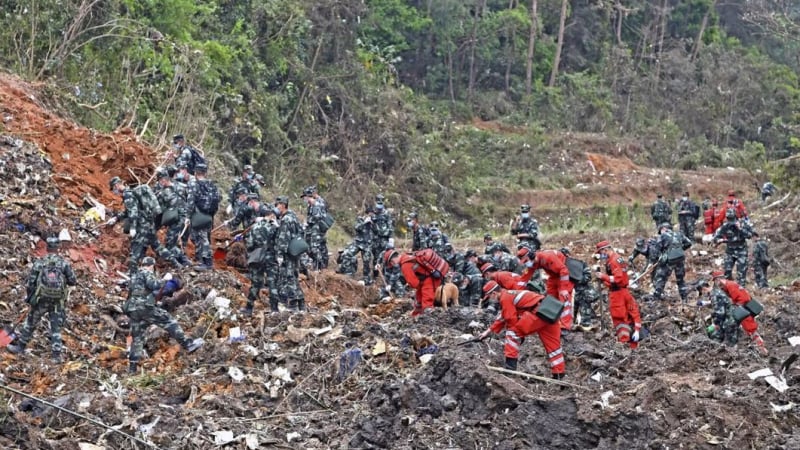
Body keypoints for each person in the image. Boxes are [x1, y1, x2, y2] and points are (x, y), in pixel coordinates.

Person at [123, 257, 204, 373]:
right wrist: (165, 279)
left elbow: (131, 294)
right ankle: (188, 344)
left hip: (133, 309)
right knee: (169, 321)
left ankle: (132, 367)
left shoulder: (134, 276)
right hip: (145, 307)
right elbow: (154, 285)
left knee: (137, 337)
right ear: (151, 265)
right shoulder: (146, 272)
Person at [7, 237, 77, 361]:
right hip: (57, 301)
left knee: (31, 323)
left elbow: (31, 283)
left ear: (47, 247)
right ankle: (56, 356)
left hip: (41, 300)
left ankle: (21, 347)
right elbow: (73, 281)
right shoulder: (64, 263)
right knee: (55, 327)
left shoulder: (40, 262)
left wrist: (31, 299)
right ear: (58, 248)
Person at [478, 282, 565, 378]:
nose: (490, 299)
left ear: (494, 293)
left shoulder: (505, 298)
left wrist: (519, 335)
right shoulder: (509, 294)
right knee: (554, 347)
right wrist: (488, 331)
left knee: (511, 334)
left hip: (537, 313)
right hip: (549, 312)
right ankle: (559, 375)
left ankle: (510, 369)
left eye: (489, 296)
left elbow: (510, 318)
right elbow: (503, 317)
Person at [108, 176, 181, 274]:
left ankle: (132, 273)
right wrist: (116, 218)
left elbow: (133, 213)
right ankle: (177, 264)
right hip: (149, 224)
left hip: (141, 226)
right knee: (157, 247)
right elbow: (128, 211)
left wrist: (133, 228)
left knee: (135, 248)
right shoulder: (131, 192)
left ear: (117, 185)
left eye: (113, 189)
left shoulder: (127, 195)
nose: (114, 192)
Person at [594, 241, 642, 349]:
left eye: (601, 252)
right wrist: (604, 281)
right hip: (623, 291)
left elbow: (617, 279)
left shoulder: (613, 261)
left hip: (618, 295)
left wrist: (603, 277)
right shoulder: (617, 259)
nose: (601, 255)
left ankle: (624, 344)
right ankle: (632, 345)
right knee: (630, 314)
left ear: (605, 250)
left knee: (619, 318)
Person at [709, 271, 768, 355]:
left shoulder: (731, 285)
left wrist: (735, 307)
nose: (716, 284)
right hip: (743, 310)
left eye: (715, 281)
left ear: (718, 280)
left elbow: (744, 299)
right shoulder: (728, 286)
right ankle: (760, 348)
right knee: (749, 330)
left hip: (744, 310)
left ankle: (762, 349)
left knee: (751, 329)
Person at [516, 246, 573, 330]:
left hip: (565, 274)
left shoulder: (547, 257)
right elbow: (524, 278)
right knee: (551, 298)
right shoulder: (533, 263)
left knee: (563, 297)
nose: (526, 263)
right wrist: (516, 292)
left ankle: (566, 326)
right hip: (554, 275)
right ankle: (553, 321)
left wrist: (564, 289)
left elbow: (563, 270)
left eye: (526, 261)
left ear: (531, 256)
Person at [384, 248, 449, 316]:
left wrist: (412, 284)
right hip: (428, 277)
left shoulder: (405, 265)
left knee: (427, 301)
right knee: (419, 299)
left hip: (429, 280)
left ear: (392, 260)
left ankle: (428, 320)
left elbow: (414, 283)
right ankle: (416, 315)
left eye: (391, 263)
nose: (392, 264)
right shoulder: (407, 256)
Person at [242, 205, 279, 315]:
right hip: (271, 257)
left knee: (255, 283)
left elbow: (249, 244)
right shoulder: (275, 227)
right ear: (271, 215)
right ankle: (274, 309)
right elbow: (279, 243)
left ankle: (249, 308)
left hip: (258, 257)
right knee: (272, 283)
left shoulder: (255, 226)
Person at [274, 195, 306, 311]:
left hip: (287, 254)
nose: (276, 208)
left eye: (277, 205)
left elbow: (283, 239)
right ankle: (301, 304)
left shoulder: (286, 220)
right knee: (294, 277)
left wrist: (279, 255)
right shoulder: (293, 217)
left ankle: (292, 305)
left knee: (288, 278)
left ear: (282, 205)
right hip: (295, 253)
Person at [186, 163, 220, 270]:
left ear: (196, 172)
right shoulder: (212, 184)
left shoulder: (194, 184)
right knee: (201, 237)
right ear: (205, 173)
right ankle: (201, 260)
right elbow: (218, 199)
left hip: (198, 215)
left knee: (203, 238)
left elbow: (190, 201)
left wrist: (187, 216)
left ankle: (207, 263)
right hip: (209, 215)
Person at [155, 169, 191, 266]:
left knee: (173, 243)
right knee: (172, 242)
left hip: (181, 219)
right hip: (179, 220)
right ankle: (182, 261)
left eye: (160, 180)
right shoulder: (163, 192)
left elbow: (190, 200)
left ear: (164, 179)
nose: (160, 182)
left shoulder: (179, 188)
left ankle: (182, 262)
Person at [651, 223, 692, 302]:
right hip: (680, 260)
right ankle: (684, 299)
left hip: (668, 262)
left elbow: (656, 250)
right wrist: (679, 250)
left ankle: (656, 298)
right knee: (681, 280)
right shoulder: (679, 234)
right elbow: (689, 243)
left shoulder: (662, 236)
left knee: (661, 278)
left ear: (663, 229)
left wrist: (658, 258)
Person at [560, 248, 599, 331]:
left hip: (585, 291)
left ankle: (586, 328)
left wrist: (576, 280)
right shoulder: (560, 266)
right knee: (573, 310)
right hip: (574, 293)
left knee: (585, 310)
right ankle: (572, 325)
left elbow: (588, 277)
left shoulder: (579, 264)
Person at [713, 209, 754, 285]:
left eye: (732, 219)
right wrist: (721, 240)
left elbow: (749, 235)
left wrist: (740, 229)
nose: (731, 221)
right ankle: (729, 288)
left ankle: (741, 290)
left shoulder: (742, 224)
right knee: (727, 271)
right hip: (730, 251)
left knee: (741, 273)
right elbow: (715, 237)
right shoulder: (725, 226)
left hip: (741, 251)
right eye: (729, 219)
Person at [302, 186, 330, 269]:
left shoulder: (318, 203)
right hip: (311, 228)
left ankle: (320, 266)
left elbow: (317, 217)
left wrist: (308, 221)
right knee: (310, 247)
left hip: (316, 229)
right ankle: (316, 265)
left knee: (315, 248)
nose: (305, 199)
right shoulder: (311, 204)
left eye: (306, 197)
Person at [353, 206, 376, 284]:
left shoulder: (374, 221)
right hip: (359, 243)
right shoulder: (360, 219)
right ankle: (349, 273)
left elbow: (377, 231)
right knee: (347, 254)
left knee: (366, 262)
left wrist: (373, 224)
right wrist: (364, 222)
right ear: (367, 213)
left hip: (368, 245)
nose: (372, 215)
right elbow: (356, 228)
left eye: (372, 214)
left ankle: (367, 279)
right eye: (371, 214)